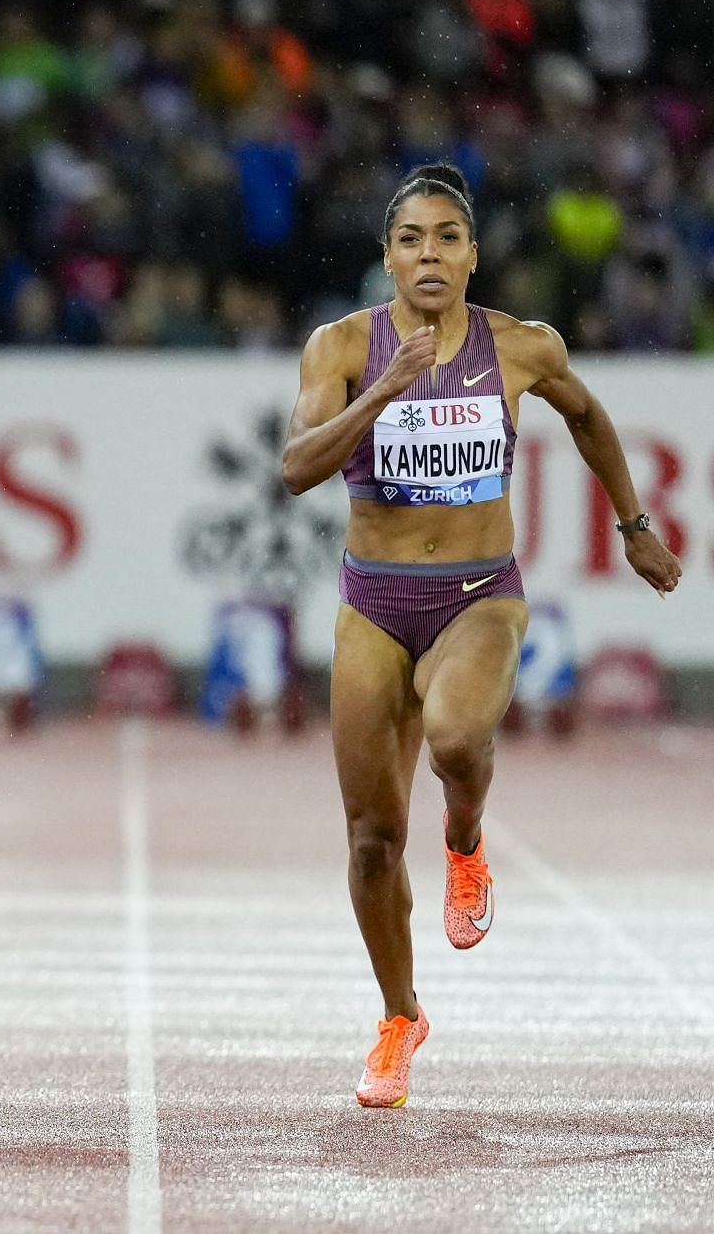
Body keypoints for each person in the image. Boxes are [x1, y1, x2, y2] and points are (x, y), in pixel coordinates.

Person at [282, 163, 682, 1109]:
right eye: (411, 238)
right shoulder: (340, 347)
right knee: (373, 837)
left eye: (447, 238)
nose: (430, 253)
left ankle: (466, 841)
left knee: (458, 738)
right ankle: (398, 1017)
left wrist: (632, 525)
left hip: (478, 595)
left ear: (472, 255)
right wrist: (383, 389)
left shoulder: (519, 346)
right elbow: (297, 467)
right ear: (387, 256)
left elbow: (587, 416)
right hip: (373, 599)